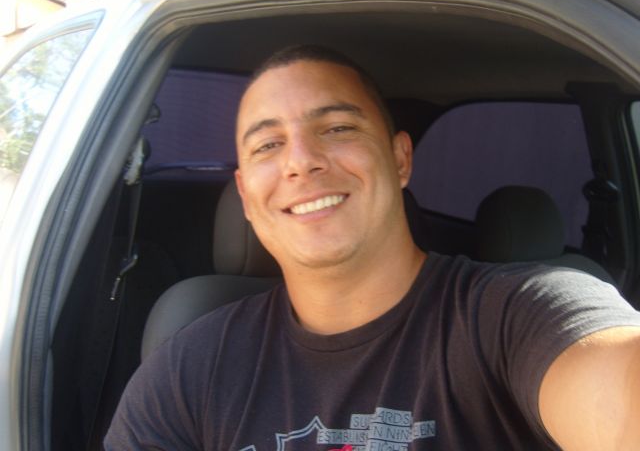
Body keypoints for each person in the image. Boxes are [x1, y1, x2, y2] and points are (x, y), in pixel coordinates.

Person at [105, 45, 640, 450]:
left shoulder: (524, 314)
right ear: (245, 195)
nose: (300, 161)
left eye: (337, 127)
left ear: (400, 159)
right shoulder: (188, 367)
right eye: (268, 144)